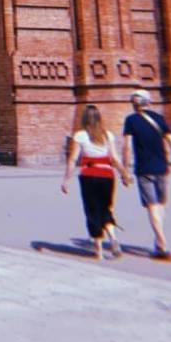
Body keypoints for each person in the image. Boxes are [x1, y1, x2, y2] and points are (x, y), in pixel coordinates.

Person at [121, 89, 171, 261]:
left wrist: (125, 169)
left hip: (144, 169)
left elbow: (127, 147)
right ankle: (158, 242)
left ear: (135, 104)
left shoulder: (131, 120)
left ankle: (162, 243)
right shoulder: (160, 119)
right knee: (159, 206)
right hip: (162, 168)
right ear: (149, 102)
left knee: (152, 206)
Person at [62, 103, 129, 260]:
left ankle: (98, 250)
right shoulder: (107, 135)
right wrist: (124, 174)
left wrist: (66, 180)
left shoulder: (80, 136)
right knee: (106, 208)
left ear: (84, 119)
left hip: (89, 175)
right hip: (107, 175)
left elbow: (73, 159)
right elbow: (114, 158)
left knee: (92, 210)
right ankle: (113, 238)